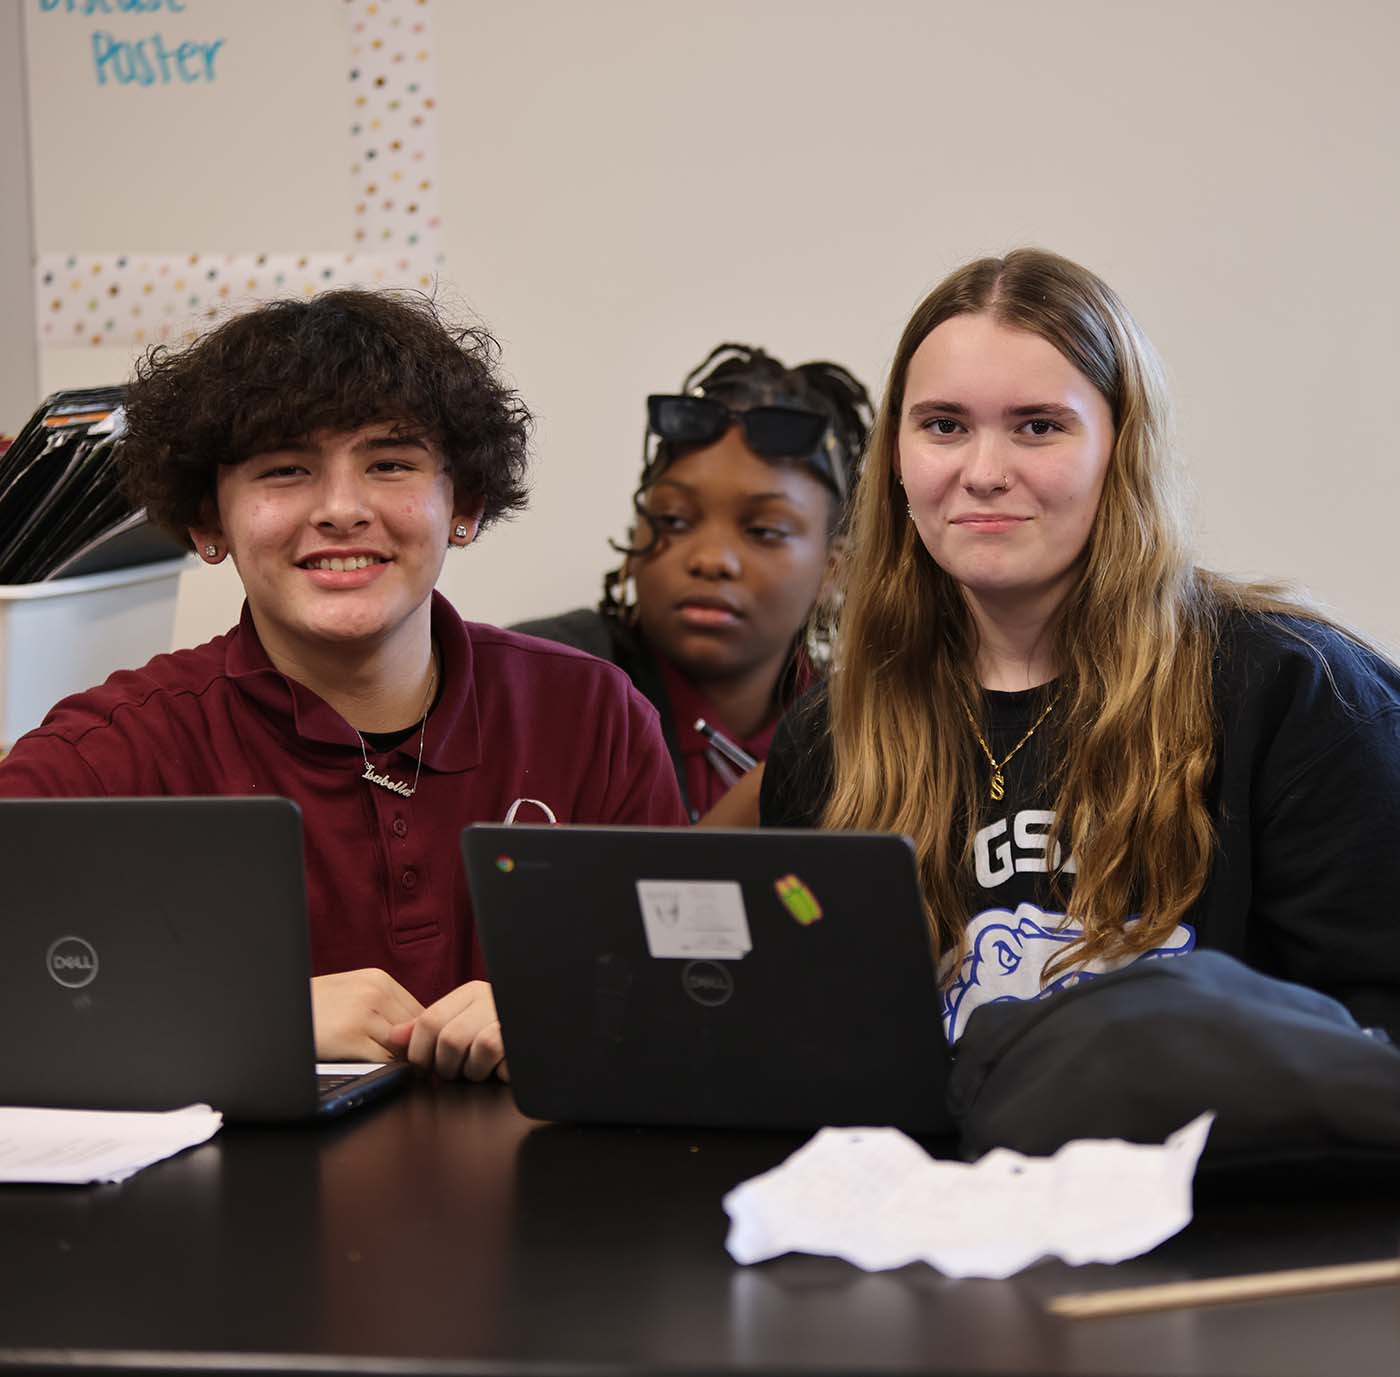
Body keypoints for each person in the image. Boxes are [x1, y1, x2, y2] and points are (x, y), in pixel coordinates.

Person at [0, 289, 687, 1077]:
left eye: (390, 463)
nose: (341, 509)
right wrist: (252, 1014)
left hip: (553, 1194)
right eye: (285, 469)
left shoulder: (592, 715)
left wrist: (575, 1002)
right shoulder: (109, 755)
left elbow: (688, 986)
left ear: (463, 502)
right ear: (208, 521)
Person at [760, 248, 1400, 1043]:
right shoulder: (827, 737)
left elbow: (1376, 1037)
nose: (984, 471)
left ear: (1119, 450)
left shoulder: (1304, 696)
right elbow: (801, 1020)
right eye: (945, 425)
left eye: (1038, 426)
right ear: (897, 455)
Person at [515, 344, 872, 821]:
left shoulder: (861, 737)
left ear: (833, 570)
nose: (710, 560)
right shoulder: (532, 686)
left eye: (764, 531)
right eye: (675, 520)